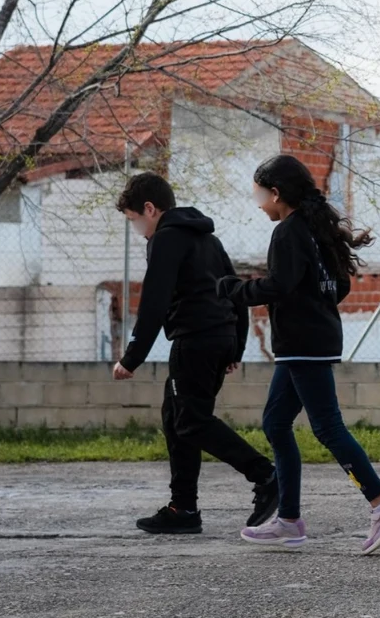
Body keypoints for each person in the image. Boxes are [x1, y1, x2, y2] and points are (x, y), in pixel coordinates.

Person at [218, 155, 380, 554]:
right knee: (275, 423)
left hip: (303, 345)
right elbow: (339, 286)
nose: (259, 205)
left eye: (259, 196)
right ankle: (289, 521)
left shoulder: (289, 231)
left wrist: (233, 290)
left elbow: (279, 285)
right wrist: (315, 306)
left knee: (327, 427)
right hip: (306, 343)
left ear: (276, 194)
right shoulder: (314, 228)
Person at [111, 173, 277, 535]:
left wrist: (132, 357)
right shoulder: (208, 239)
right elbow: (235, 290)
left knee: (190, 421)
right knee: (176, 417)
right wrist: (235, 345)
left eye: (134, 220)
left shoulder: (164, 239)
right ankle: (183, 509)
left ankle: (265, 474)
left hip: (195, 340)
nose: (138, 230)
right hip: (217, 338)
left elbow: (154, 302)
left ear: (150, 209)